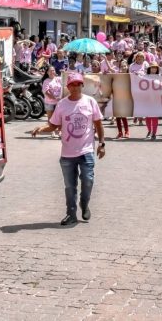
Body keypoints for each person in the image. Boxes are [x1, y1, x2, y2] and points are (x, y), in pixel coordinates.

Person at [31, 72, 105, 226]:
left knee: (88, 181)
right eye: (72, 84)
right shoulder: (62, 104)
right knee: (70, 186)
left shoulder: (90, 102)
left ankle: (84, 204)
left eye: (78, 84)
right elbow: (54, 125)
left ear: (82, 85)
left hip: (86, 151)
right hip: (67, 154)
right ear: (68, 87)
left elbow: (98, 124)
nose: (75, 87)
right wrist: (41, 128)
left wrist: (102, 144)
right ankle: (70, 213)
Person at [41, 65, 62, 138]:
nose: (52, 72)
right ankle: (52, 131)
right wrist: (55, 98)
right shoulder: (46, 81)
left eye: (53, 70)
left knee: (59, 118)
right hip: (49, 102)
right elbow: (46, 92)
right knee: (50, 119)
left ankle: (60, 131)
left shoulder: (59, 79)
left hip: (58, 103)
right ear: (47, 72)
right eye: (50, 71)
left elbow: (66, 79)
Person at [144, 63, 161, 140]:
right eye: (152, 68)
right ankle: (149, 131)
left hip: (156, 99)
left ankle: (154, 133)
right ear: (149, 69)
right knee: (147, 117)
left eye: (155, 68)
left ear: (157, 69)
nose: (153, 69)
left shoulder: (160, 77)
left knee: (154, 117)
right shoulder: (145, 77)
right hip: (147, 99)